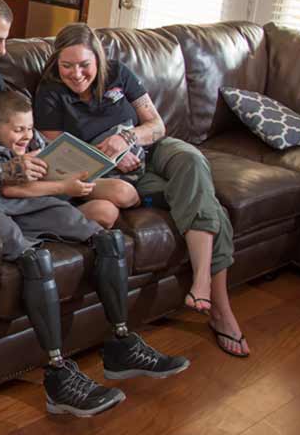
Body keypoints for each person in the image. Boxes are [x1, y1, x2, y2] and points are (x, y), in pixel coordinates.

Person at [0, 0, 190, 419]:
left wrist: (29, 157)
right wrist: (3, 173)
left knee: (104, 239)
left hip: (10, 181)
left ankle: (120, 344)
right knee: (36, 260)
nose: (2, 49)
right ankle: (57, 376)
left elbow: (16, 131)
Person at [34, 23, 250, 358]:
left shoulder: (120, 73)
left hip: (153, 150)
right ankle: (219, 307)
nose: (76, 74)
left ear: (99, 60)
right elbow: (59, 156)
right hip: (111, 170)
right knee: (208, 204)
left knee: (191, 161)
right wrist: (110, 158)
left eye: (84, 65)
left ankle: (202, 281)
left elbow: (156, 125)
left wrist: (127, 138)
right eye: (67, 66)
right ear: (55, 63)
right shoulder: (50, 93)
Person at [0, 90, 124, 230]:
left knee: (123, 191)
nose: (27, 136)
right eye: (18, 130)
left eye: (29, 128)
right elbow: (9, 189)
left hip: (61, 188)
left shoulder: (34, 138)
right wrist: (65, 186)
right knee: (106, 212)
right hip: (38, 206)